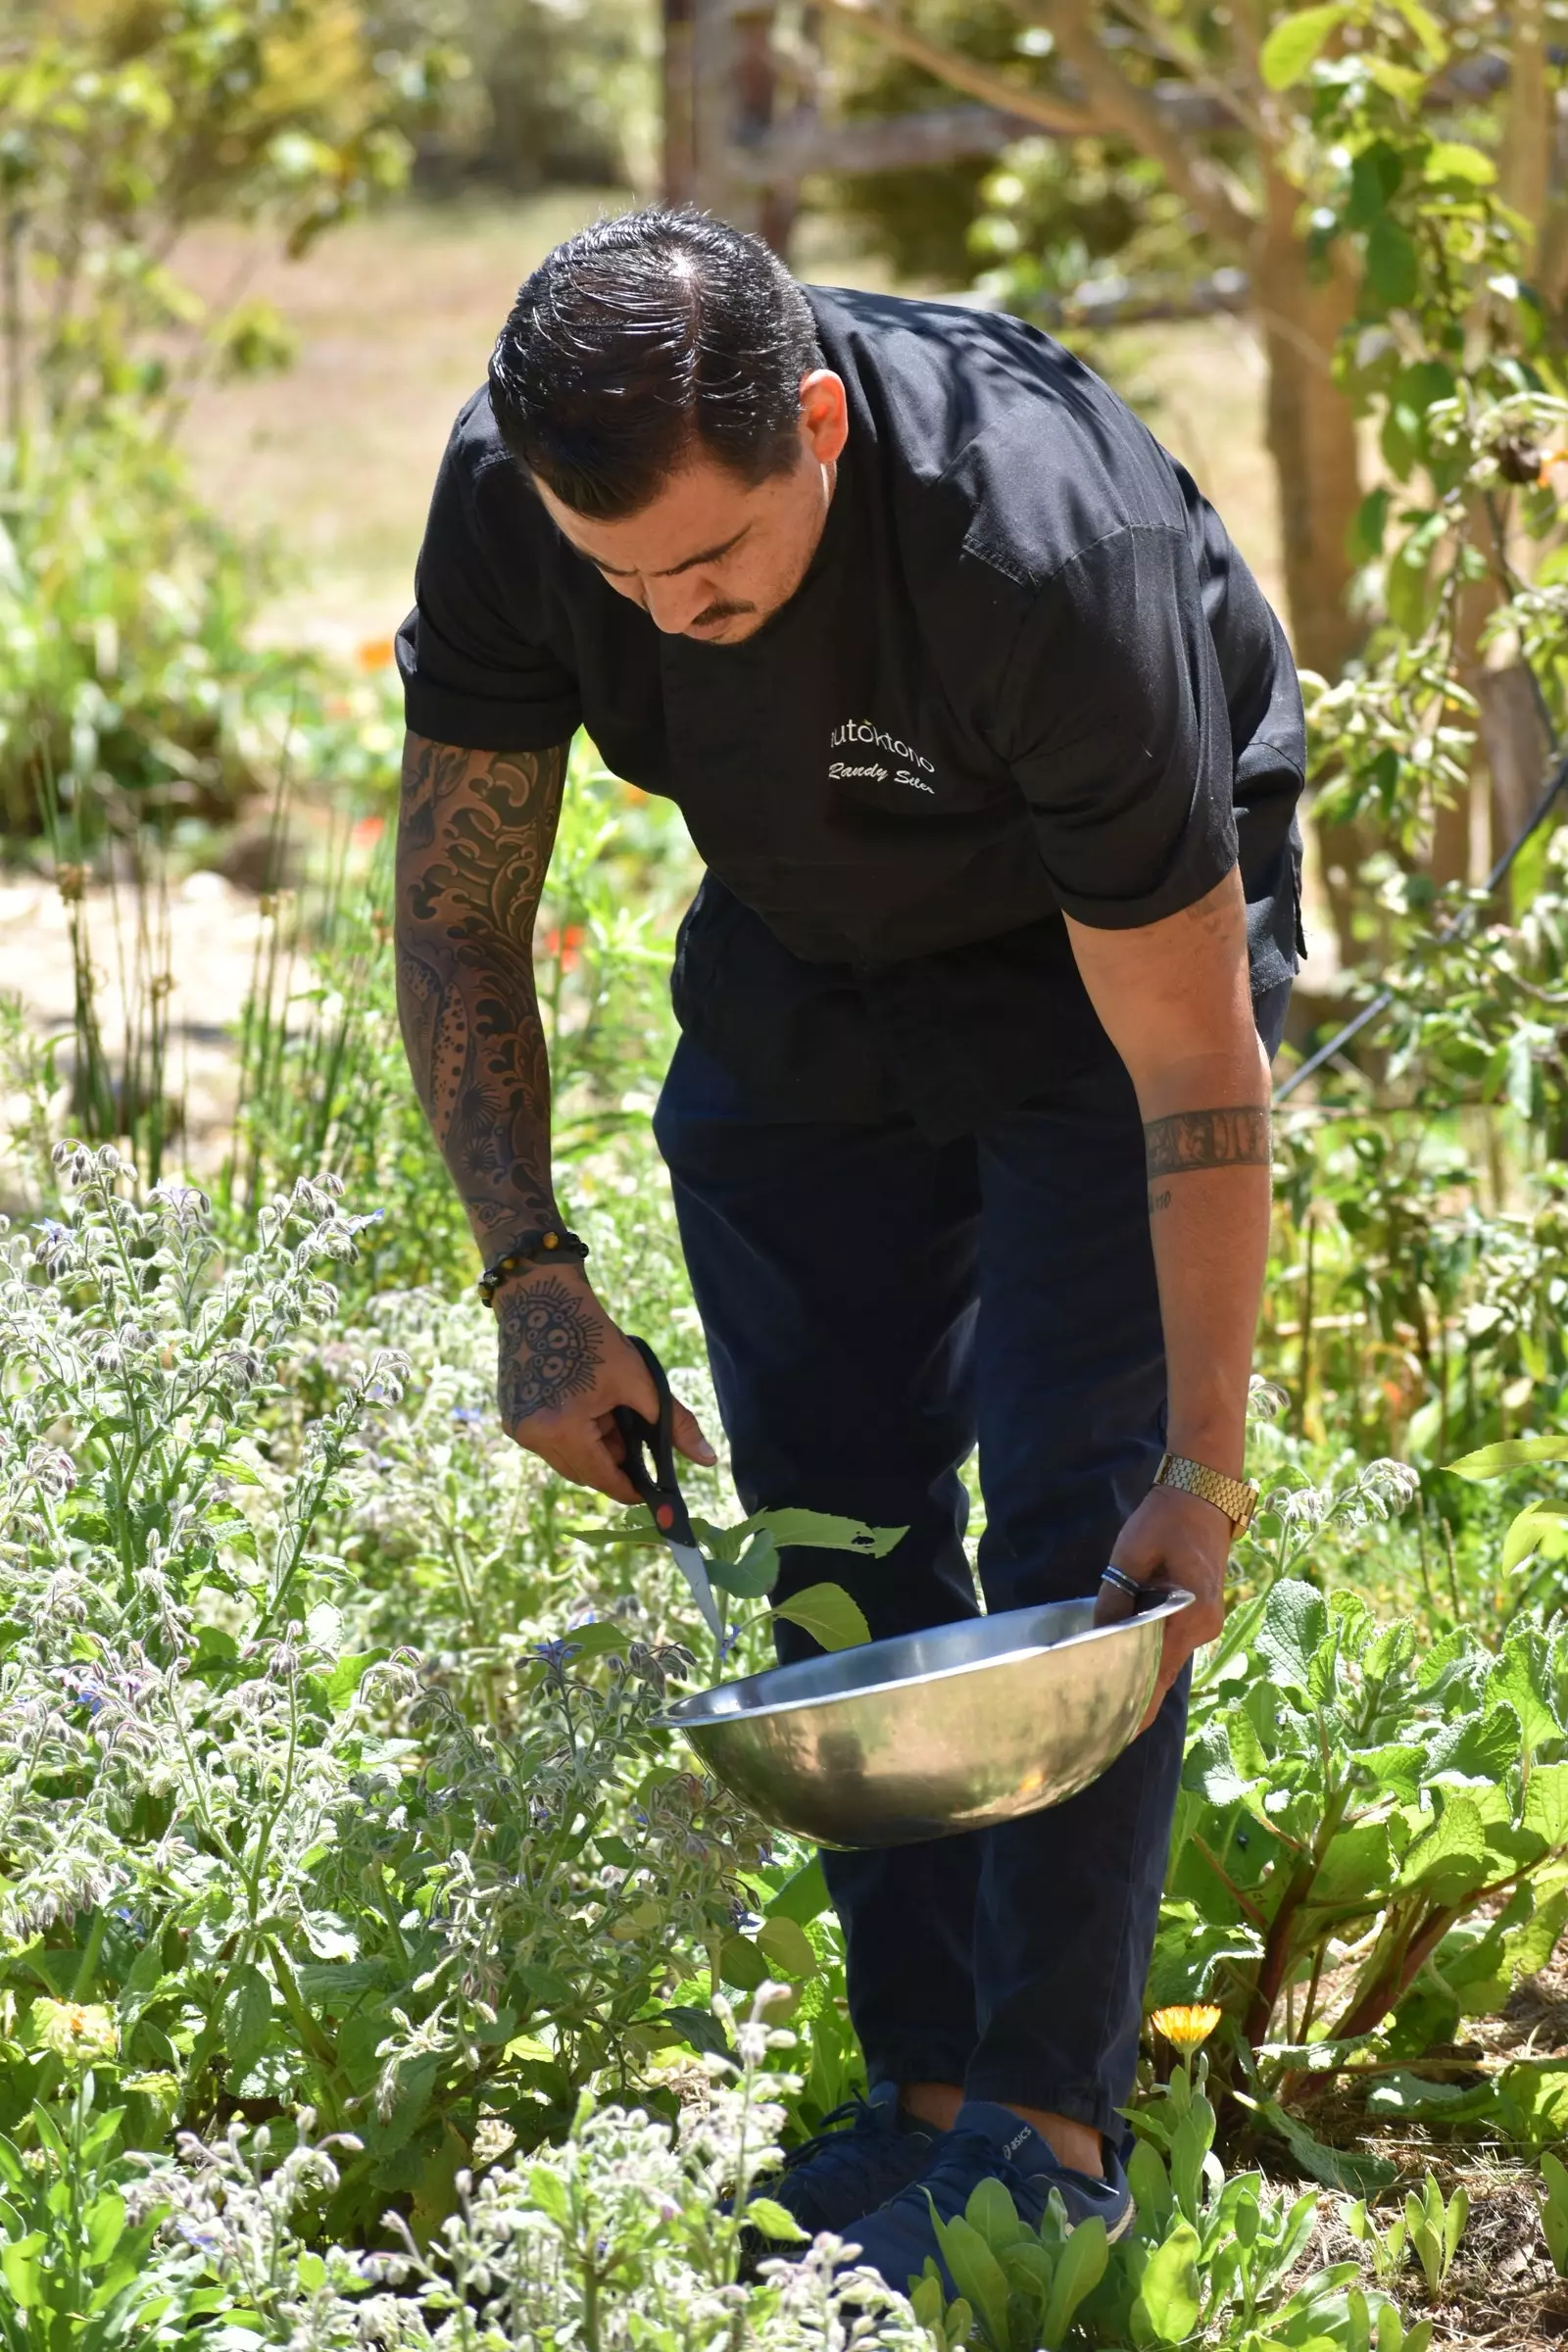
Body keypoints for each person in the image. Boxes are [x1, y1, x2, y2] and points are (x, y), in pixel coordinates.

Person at [393, 204, 1302, 2289]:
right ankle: (915, 2110)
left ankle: (1041, 2139)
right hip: (812, 936)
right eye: (623, 580)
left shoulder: (1039, 559)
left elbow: (1184, 1062)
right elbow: (456, 908)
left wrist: (1204, 1464)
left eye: (709, 561)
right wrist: (529, 1276)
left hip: (1111, 972)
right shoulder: (519, 499)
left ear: (813, 422)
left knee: (1079, 1531)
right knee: (823, 1512)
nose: (671, 612)